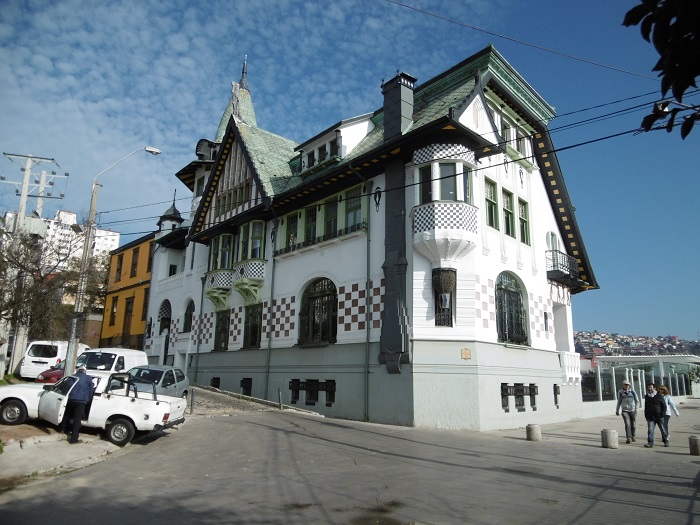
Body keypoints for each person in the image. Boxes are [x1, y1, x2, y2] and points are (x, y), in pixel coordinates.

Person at [58, 366, 95, 444]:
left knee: (66, 415)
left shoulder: (72, 377)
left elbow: (65, 387)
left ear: (77, 371)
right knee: (77, 419)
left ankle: (62, 429)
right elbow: (91, 391)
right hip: (81, 402)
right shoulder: (88, 379)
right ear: (85, 371)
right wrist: (89, 400)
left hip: (70, 399)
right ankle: (73, 439)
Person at [643, 382, 668, 448]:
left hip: (659, 416)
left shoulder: (659, 396)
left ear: (654, 388)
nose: (649, 389)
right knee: (650, 430)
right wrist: (646, 415)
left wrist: (662, 414)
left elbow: (664, 406)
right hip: (650, 417)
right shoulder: (647, 396)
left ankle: (666, 441)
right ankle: (650, 443)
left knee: (663, 430)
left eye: (651, 387)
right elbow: (646, 406)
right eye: (648, 387)